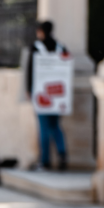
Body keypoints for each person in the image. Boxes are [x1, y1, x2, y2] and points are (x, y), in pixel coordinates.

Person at [26, 20, 69, 171]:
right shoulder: (61, 47)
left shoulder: (36, 48)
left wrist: (28, 90)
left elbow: (30, 70)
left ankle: (45, 161)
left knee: (43, 127)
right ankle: (62, 155)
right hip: (58, 96)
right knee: (56, 126)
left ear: (41, 31)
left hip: (41, 94)